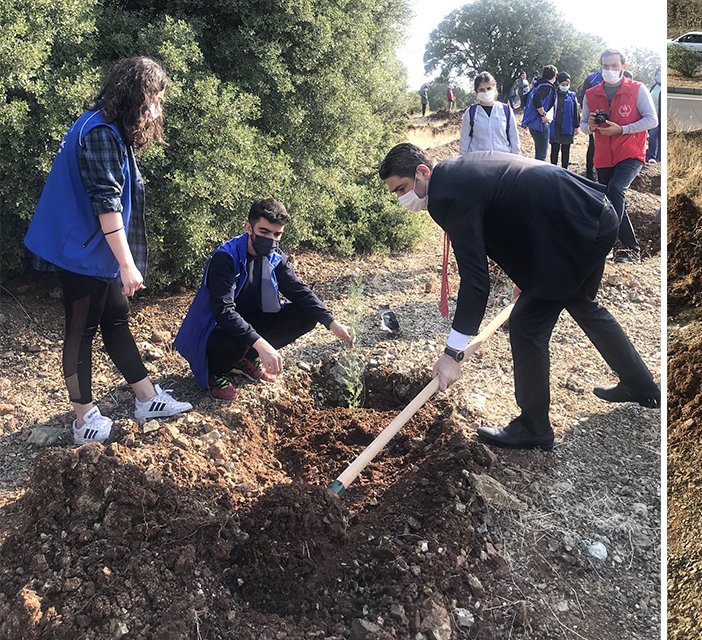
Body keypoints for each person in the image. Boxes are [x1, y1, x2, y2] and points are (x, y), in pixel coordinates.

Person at [379, 144, 660, 451]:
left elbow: (475, 279)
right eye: (396, 193)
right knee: (582, 304)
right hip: (592, 213)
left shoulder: (448, 195)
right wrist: (526, 277)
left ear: (422, 172)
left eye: (403, 188)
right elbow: (508, 218)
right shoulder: (455, 172)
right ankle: (641, 387)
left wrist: (452, 354)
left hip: (574, 227)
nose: (402, 199)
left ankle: (533, 427)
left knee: (527, 324)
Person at [23, 56, 193, 444]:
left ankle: (146, 398)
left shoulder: (105, 124)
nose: (157, 107)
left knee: (115, 316)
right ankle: (83, 419)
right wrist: (127, 264)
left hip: (90, 246)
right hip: (81, 249)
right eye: (155, 97)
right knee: (80, 331)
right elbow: (106, 203)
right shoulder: (100, 132)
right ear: (138, 94)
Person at [173, 200, 353, 401]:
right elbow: (223, 312)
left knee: (306, 315)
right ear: (249, 227)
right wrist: (262, 345)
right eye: (264, 232)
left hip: (249, 322)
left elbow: (298, 290)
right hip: (214, 331)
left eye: (277, 234)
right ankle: (215, 371)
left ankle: (243, 360)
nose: (271, 239)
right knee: (239, 339)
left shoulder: (274, 256)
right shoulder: (225, 258)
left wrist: (331, 322)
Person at [582, 49, 658, 263]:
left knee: (616, 189)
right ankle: (615, 246)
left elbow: (652, 120)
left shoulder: (637, 90)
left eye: (614, 66)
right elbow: (583, 126)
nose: (609, 70)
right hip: (604, 155)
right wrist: (591, 127)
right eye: (605, 66)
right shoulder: (591, 94)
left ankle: (630, 247)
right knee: (609, 198)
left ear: (623, 67)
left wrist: (622, 129)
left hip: (631, 153)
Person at [460, 72, 521, 156]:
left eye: (489, 88)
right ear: (476, 92)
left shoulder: (506, 110)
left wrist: (516, 160)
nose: (486, 92)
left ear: (494, 88)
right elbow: (465, 141)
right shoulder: (471, 113)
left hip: (503, 161)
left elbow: (514, 138)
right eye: (481, 90)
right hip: (478, 163)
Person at [519, 65, 558, 162]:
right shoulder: (546, 87)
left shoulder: (537, 85)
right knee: (541, 155)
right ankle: (538, 175)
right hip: (540, 123)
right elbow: (537, 99)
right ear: (554, 75)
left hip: (533, 123)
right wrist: (543, 115)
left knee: (539, 152)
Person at [549, 72, 580, 170]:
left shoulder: (572, 96)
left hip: (568, 127)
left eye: (567, 84)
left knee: (566, 150)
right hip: (556, 126)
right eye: (563, 84)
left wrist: (576, 126)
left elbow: (576, 111)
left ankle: (564, 170)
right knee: (555, 149)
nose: (565, 86)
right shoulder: (554, 94)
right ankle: (553, 169)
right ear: (559, 84)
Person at [579, 67, 604, 181]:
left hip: (612, 120)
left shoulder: (618, 78)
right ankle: (589, 174)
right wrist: (588, 113)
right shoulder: (591, 78)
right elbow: (582, 96)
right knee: (593, 146)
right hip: (594, 119)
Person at [646, 74, 663, 164]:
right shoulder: (654, 86)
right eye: (657, 74)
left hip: (660, 116)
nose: (658, 76)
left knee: (658, 136)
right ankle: (652, 157)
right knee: (652, 136)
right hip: (653, 115)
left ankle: (659, 158)